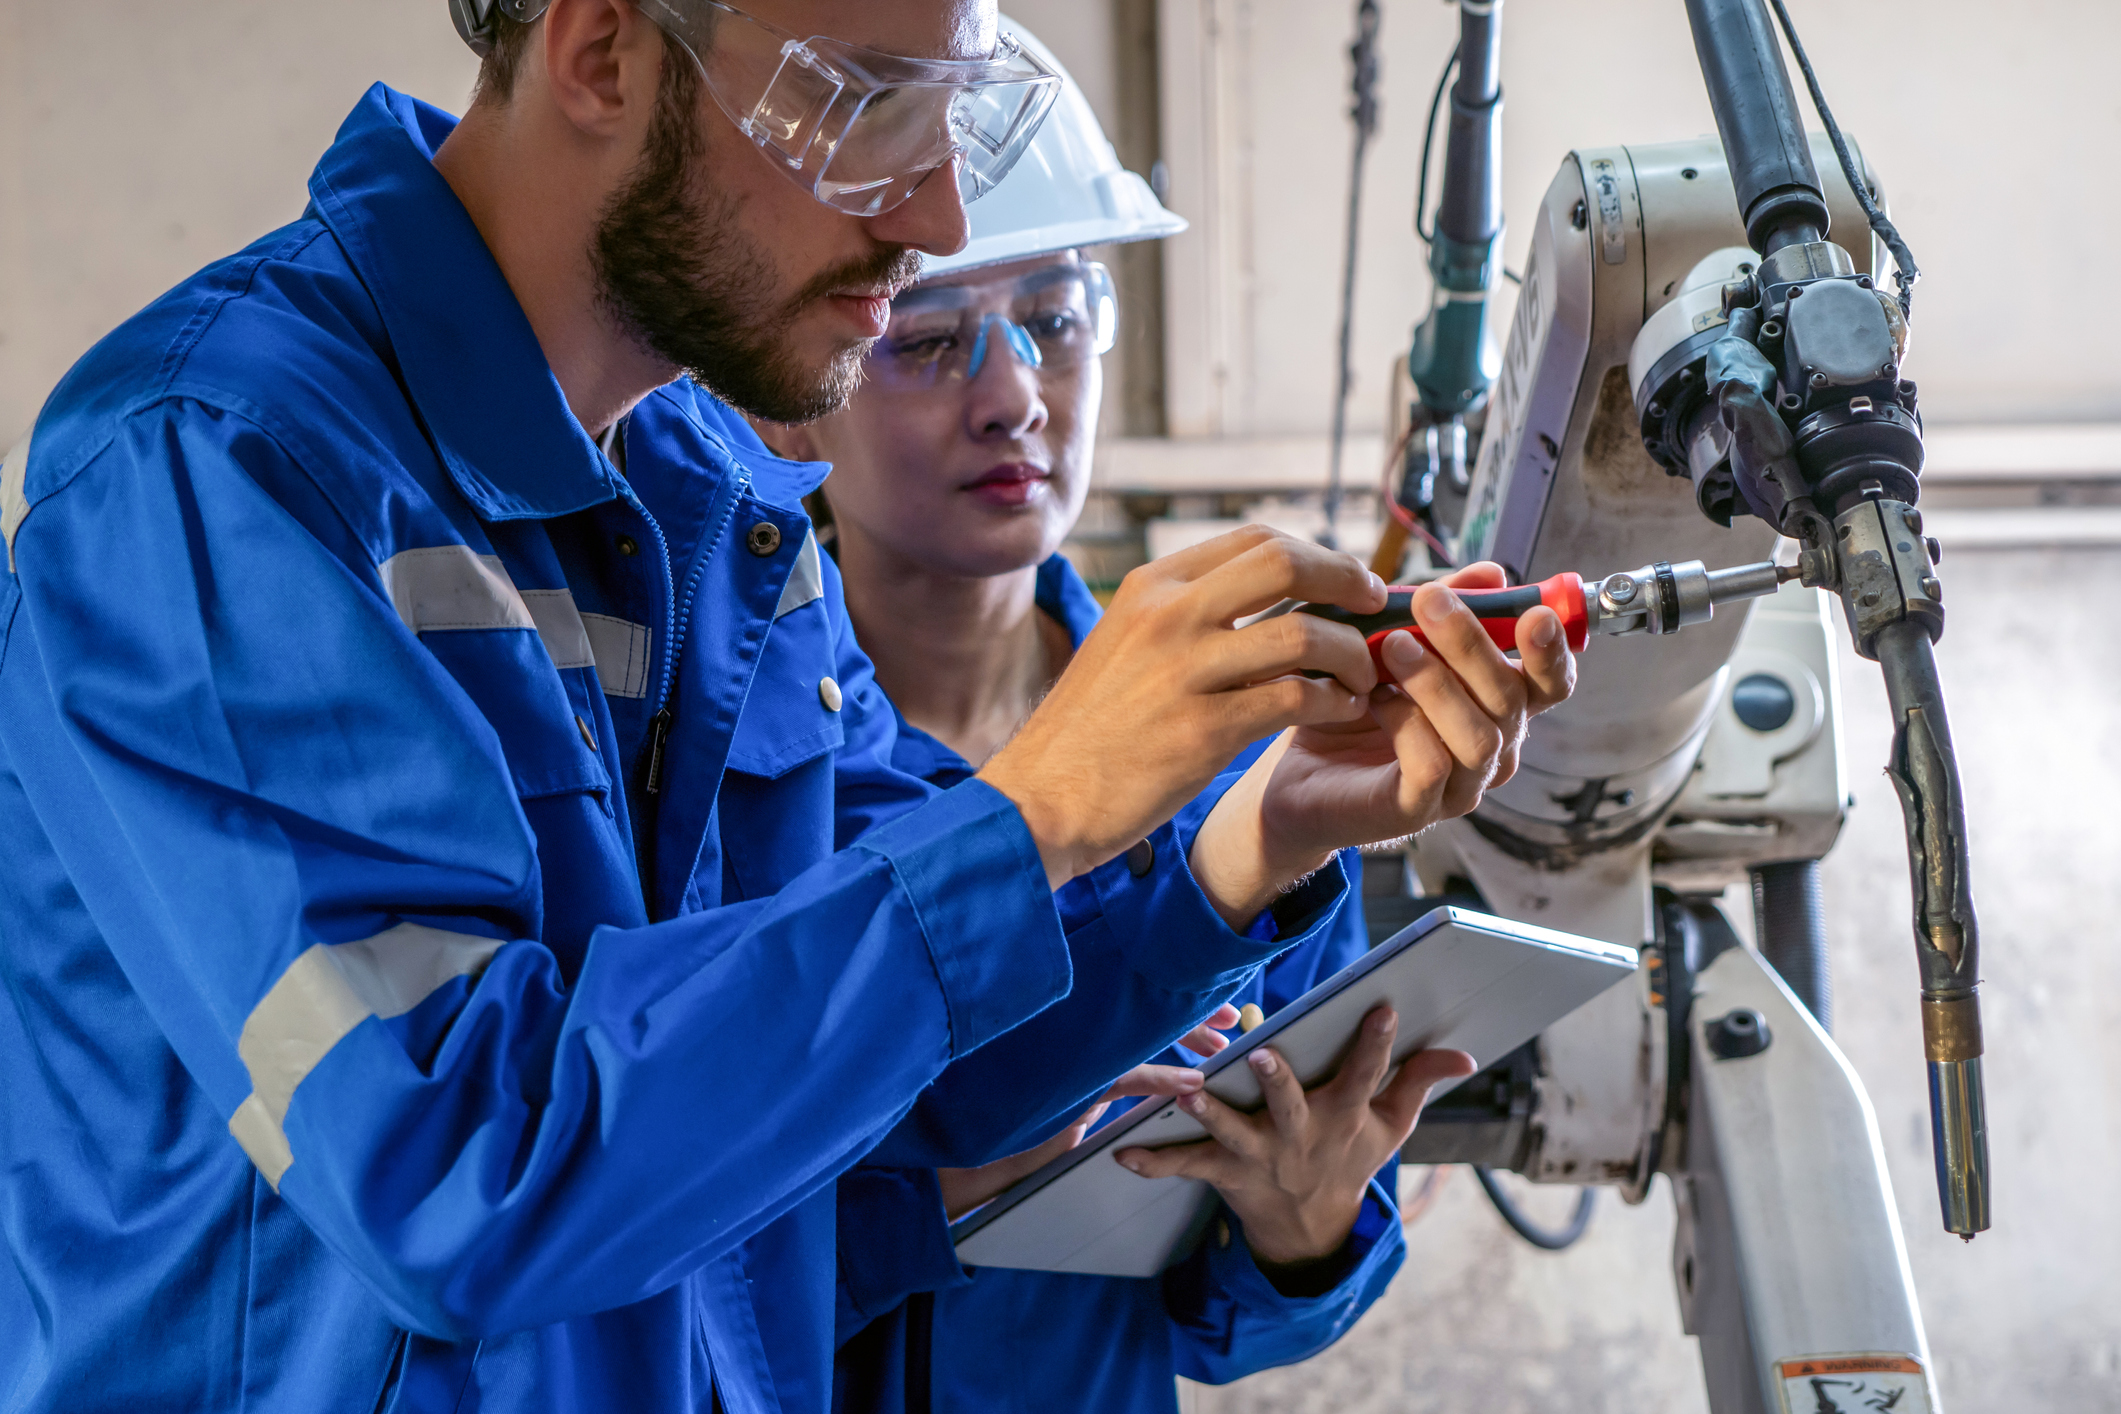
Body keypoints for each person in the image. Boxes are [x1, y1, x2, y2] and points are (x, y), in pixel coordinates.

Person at [0, 3, 1573, 1413]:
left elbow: (906, 1062)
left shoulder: (715, 510)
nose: (939, 212)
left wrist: (1248, 837)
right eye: (870, 105)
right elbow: (459, 1168)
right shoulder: (220, 471)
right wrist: (1043, 808)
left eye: (956, 117)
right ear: (603, 50)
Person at [759, 32, 1429, 1409]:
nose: (1013, 395)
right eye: (931, 337)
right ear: (796, 387)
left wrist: (1301, 1234)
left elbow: (1224, 1323)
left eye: (1057, 320)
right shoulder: (729, 767)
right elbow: (633, 1247)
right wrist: (950, 1190)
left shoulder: (1248, 749)